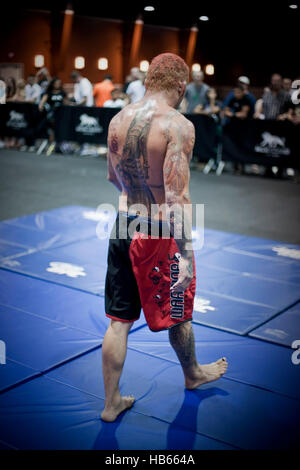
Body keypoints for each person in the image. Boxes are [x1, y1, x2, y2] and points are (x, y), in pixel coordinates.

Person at [101, 52, 228, 422]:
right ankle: (193, 374)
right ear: (181, 86)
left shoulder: (117, 120)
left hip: (124, 222)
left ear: (146, 82)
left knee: (118, 321)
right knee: (178, 311)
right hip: (158, 232)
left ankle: (111, 404)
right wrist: (186, 254)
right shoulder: (178, 126)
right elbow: (176, 198)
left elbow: (113, 178)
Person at [38, 77, 69, 153]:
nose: (58, 85)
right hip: (51, 115)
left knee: (60, 131)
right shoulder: (48, 92)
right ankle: (51, 147)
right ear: (52, 84)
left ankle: (59, 146)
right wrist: (41, 106)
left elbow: (67, 103)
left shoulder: (62, 92)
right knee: (52, 131)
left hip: (61, 116)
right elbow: (42, 102)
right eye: (56, 83)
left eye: (59, 83)